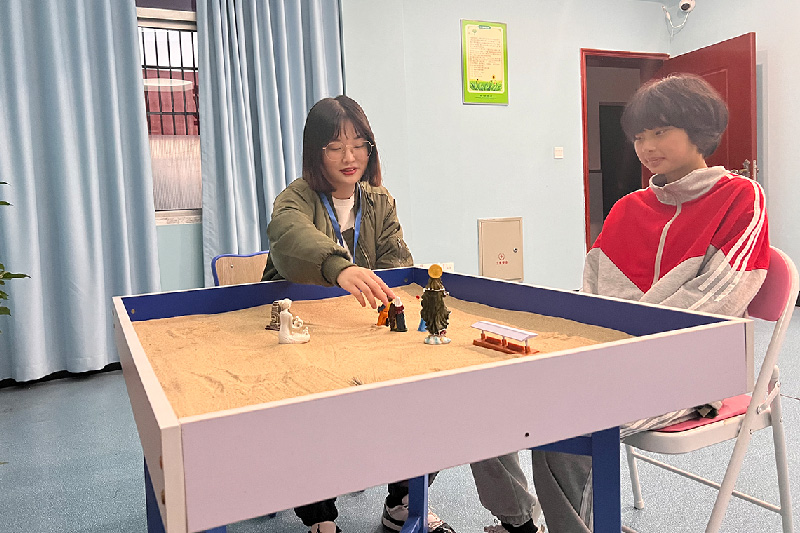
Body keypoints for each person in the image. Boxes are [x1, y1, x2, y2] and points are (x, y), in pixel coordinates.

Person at [528, 74, 770, 531]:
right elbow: (594, 294)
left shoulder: (741, 198)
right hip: (616, 362)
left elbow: (718, 298)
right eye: (639, 136)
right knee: (514, 398)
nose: (647, 146)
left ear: (698, 131)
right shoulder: (628, 208)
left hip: (692, 371)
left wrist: (628, 351)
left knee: (562, 424)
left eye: (660, 131)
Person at [261, 95, 454, 533]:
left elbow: (396, 265)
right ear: (316, 152)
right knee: (309, 407)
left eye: (359, 144)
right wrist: (339, 267)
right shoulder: (296, 197)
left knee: (424, 389)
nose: (350, 157)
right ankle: (320, 518)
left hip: (361, 329)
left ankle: (404, 500)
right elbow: (288, 238)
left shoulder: (379, 201)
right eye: (335, 146)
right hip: (304, 330)